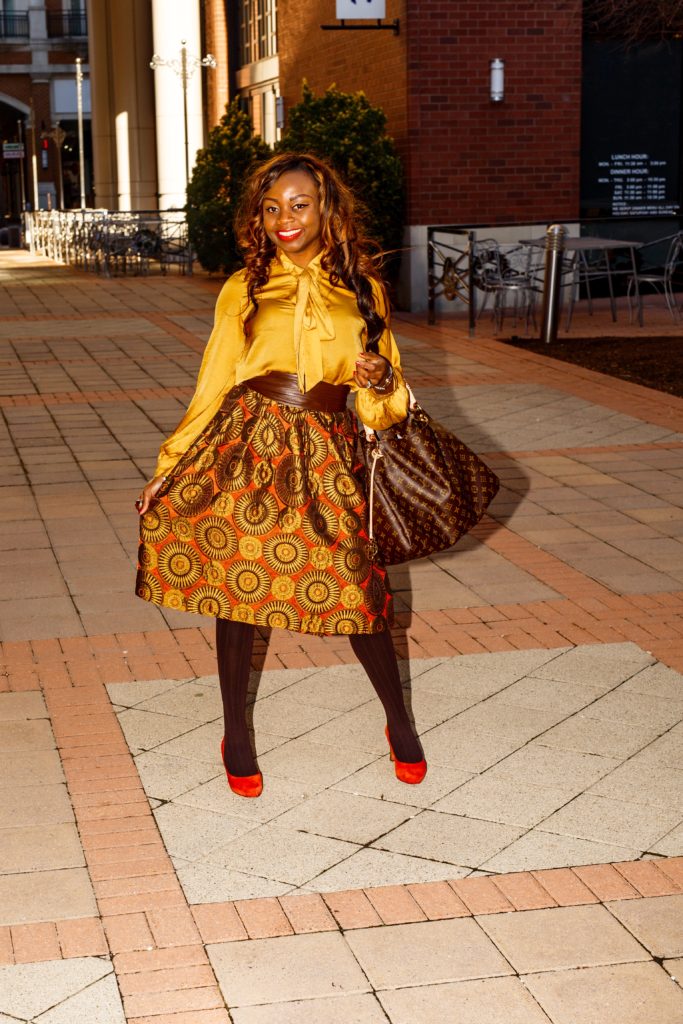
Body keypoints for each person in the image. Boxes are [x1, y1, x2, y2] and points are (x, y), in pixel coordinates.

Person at [135, 152, 425, 798]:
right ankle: (235, 732)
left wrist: (381, 378)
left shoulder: (364, 291)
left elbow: (385, 407)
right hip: (250, 442)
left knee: (358, 588)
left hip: (329, 451)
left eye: (298, 205)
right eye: (271, 209)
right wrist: (170, 465)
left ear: (326, 209)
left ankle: (397, 720)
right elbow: (213, 385)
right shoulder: (242, 288)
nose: (283, 220)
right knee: (240, 585)